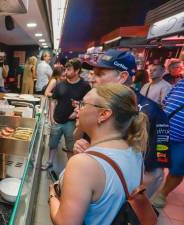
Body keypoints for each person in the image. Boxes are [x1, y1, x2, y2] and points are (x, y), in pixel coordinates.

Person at [74, 49, 170, 198]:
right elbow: (86, 141)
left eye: (100, 74)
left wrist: (123, 202)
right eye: (93, 73)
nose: (92, 79)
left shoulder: (152, 113)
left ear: (122, 77)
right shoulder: (96, 104)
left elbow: (155, 173)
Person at [49, 83, 148, 225]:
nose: (77, 109)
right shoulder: (135, 151)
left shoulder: (84, 164)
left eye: (83, 104)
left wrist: (52, 193)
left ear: (104, 114)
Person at [43, 58, 91, 170]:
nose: (65, 72)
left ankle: (70, 167)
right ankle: (49, 162)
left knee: (71, 147)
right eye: (65, 69)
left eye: (69, 70)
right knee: (52, 144)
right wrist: (51, 117)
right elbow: (54, 101)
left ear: (77, 70)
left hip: (72, 123)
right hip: (57, 120)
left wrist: (77, 113)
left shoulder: (85, 86)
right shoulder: (60, 84)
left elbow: (87, 103)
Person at [152, 78, 184, 208]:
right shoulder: (181, 83)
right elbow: (166, 102)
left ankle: (163, 194)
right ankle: (149, 185)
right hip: (163, 132)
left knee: (177, 169)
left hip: (182, 141)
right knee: (155, 161)